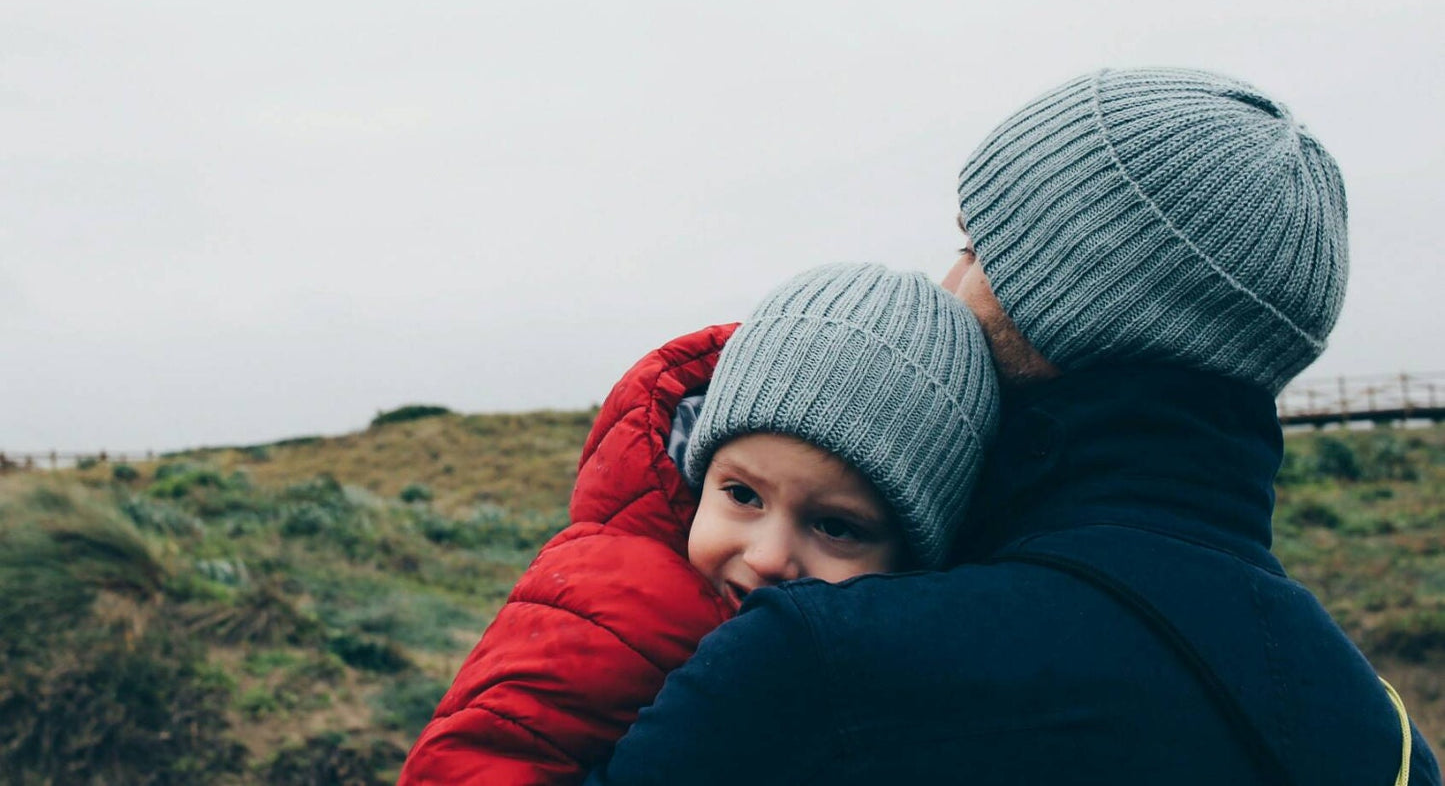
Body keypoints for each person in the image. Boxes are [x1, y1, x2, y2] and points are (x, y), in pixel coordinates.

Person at [583, 67, 1441, 786]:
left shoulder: (812, 666)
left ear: (1065, 301)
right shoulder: (1387, 742)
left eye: (974, 244)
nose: (949, 280)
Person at [399, 263, 999, 785]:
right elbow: (477, 759)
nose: (768, 557)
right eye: (742, 495)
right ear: (698, 475)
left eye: (836, 528)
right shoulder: (621, 603)